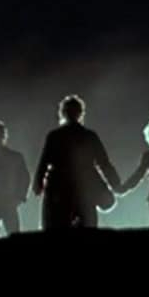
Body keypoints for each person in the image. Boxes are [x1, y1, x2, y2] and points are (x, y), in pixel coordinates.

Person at [33, 95, 121, 229]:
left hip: (59, 188)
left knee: (57, 228)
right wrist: (115, 183)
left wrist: (38, 183)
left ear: (63, 113)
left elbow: (44, 162)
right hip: (85, 188)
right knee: (87, 226)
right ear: (80, 113)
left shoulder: (55, 136)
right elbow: (104, 163)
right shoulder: (89, 136)